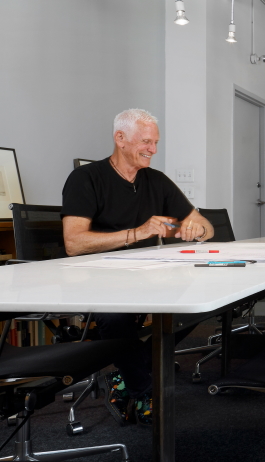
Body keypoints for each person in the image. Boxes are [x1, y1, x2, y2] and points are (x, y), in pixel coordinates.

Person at [61, 108, 214, 425]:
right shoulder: (86, 179)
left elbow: (204, 224)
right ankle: (144, 391)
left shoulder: (156, 180)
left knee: (198, 306)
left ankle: (127, 375)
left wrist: (195, 229)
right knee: (115, 316)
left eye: (156, 143)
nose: (153, 150)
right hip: (99, 278)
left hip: (150, 277)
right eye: (146, 142)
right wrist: (138, 233)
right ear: (120, 138)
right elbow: (74, 243)